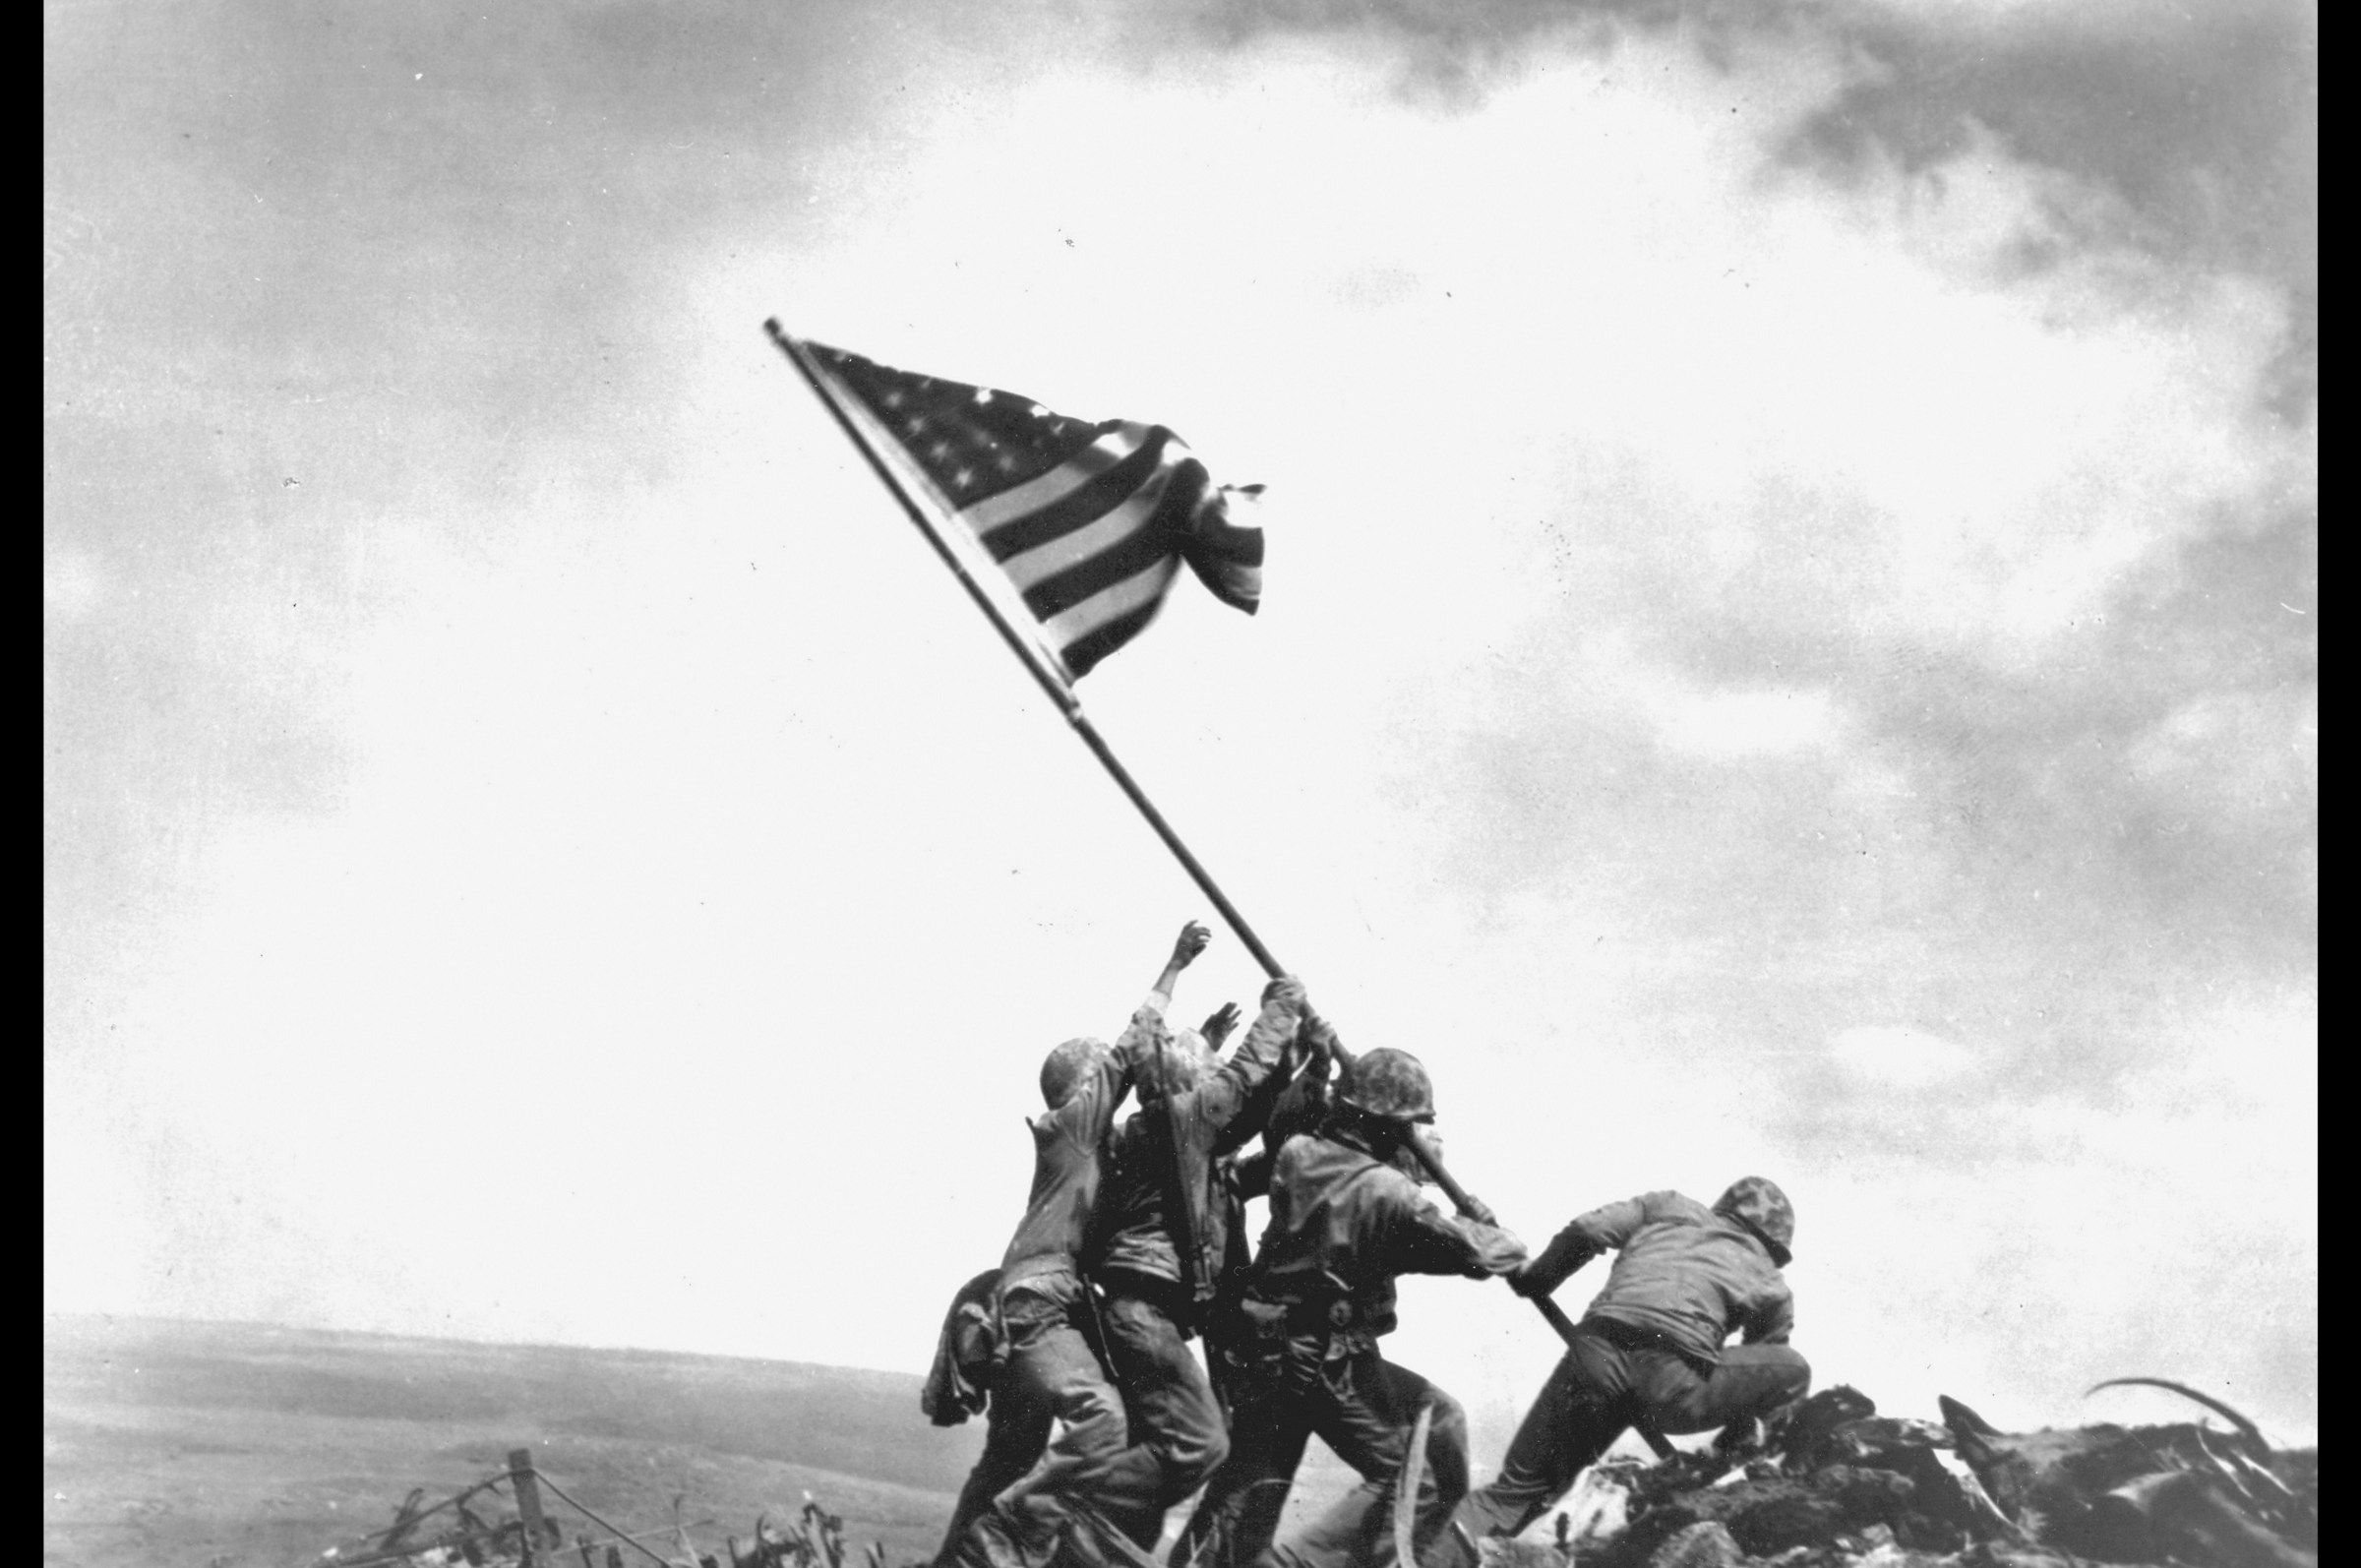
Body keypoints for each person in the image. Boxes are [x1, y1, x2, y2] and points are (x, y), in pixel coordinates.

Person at [1172, 1047, 1527, 1568]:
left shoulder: (1298, 1155)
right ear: (1391, 1126)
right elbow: (1484, 1253)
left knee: (1257, 1481)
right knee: (1412, 1478)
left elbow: (1402, 1243)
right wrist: (1491, 1229)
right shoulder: (1390, 1193)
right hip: (1323, 1359)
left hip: (1268, 1349)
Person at [938, 923, 1214, 1568]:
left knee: (1010, 1453)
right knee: (1104, 1422)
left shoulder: (1084, 1146)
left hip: (1039, 1302)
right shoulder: (1073, 1128)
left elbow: (1154, 1084)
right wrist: (1174, 966)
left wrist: (1207, 1044)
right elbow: (1131, 1051)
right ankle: (1006, 1540)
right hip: (1040, 1302)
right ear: (1084, 1088)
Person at [1435, 1177, 1811, 1567]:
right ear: (1774, 1243)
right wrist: (1727, 1454)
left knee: (1514, 1494)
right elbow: (1762, 1368)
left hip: (1595, 1359)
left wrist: (1537, 1279)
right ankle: (1734, 1468)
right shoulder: (1772, 1282)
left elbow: (1587, 1230)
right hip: (1672, 1386)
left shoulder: (1668, 1206)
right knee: (1793, 1370)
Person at [1084, 972, 1316, 1549]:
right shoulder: (1178, 1123)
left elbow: (1267, 1137)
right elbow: (1241, 1082)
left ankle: (1099, 1543)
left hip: (1147, 1315)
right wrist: (1281, 1009)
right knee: (1202, 1444)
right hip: (1144, 1315)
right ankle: (1068, 1509)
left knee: (1167, 1455)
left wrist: (1309, 1068)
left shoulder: (1181, 1151)